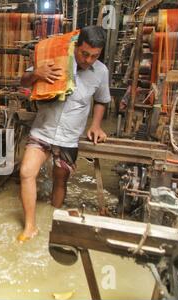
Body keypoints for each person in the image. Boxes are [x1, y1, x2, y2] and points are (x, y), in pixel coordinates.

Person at [18, 26, 111, 242]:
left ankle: (53, 218)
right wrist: (35, 74)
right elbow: (23, 81)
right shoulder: (55, 58)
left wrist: (95, 125)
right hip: (43, 130)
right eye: (84, 53)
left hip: (69, 137)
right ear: (76, 46)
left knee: (60, 181)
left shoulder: (101, 72)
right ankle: (30, 227)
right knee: (26, 172)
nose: (88, 60)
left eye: (94, 56)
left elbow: (102, 100)